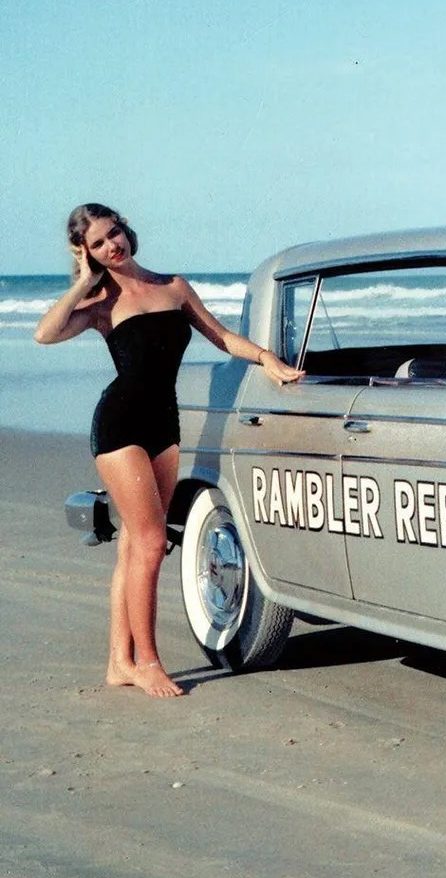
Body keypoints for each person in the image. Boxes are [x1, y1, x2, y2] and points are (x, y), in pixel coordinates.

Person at [34, 203, 304, 697]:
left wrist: (266, 358)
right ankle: (148, 662)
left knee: (134, 545)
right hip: (120, 426)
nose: (112, 246)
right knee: (152, 542)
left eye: (113, 233)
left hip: (164, 424)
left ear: (125, 229)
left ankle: (119, 662)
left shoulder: (174, 286)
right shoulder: (99, 303)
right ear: (86, 253)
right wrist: (83, 280)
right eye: (98, 244)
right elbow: (44, 333)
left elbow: (222, 337)